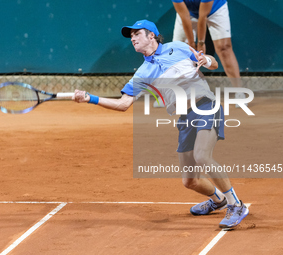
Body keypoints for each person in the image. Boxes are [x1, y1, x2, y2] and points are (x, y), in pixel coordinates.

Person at [73, 19, 249, 229]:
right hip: (185, 118)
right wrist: (90, 98)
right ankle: (218, 199)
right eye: (131, 36)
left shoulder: (179, 47)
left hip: (206, 106)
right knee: (190, 181)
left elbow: (212, 63)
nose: (133, 39)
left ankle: (235, 204)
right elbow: (123, 104)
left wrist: (207, 60)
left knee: (202, 156)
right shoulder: (142, 74)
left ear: (151, 36)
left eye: (136, 34)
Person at [153, 0, 245, 108]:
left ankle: (239, 92)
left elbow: (202, 17)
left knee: (224, 48)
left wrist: (201, 43)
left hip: (215, 9)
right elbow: (185, 16)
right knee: (176, 51)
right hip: (189, 13)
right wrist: (191, 44)